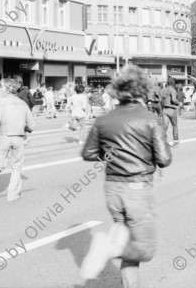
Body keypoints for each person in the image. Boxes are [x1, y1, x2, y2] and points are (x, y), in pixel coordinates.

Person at [80, 65, 172, 285]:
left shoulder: (104, 120)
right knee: (144, 249)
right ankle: (109, 248)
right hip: (138, 189)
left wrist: (113, 156)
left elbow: (89, 153)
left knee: (127, 239)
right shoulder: (150, 119)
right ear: (143, 90)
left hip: (112, 188)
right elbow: (164, 159)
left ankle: (119, 256)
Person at [0, 78, 35, 202]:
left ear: (7, 89)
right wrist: (25, 128)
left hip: (3, 137)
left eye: (0, 86)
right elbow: (32, 125)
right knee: (17, 167)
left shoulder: (1, 103)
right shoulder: (22, 103)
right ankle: (13, 195)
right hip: (18, 138)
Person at [160, 78, 179, 147]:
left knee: (165, 127)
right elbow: (174, 100)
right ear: (173, 83)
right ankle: (176, 142)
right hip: (172, 109)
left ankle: (162, 141)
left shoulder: (163, 90)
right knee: (174, 126)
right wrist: (178, 103)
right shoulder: (173, 90)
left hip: (164, 109)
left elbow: (161, 100)